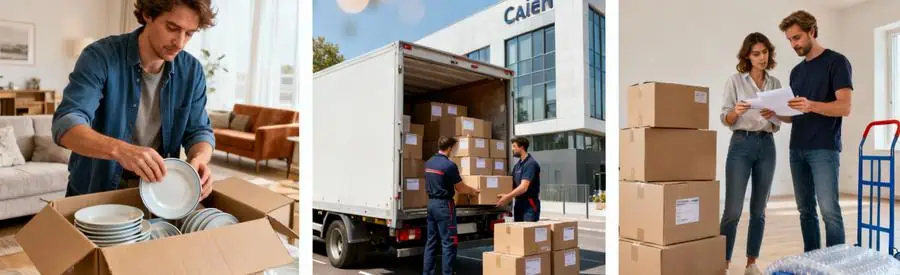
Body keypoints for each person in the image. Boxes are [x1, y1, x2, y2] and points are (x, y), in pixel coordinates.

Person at [51, 0, 217, 200]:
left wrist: (199, 158)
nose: (180, 43)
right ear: (148, 14)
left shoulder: (192, 72)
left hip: (158, 192)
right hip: (94, 189)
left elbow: (199, 131)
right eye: (172, 28)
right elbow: (65, 124)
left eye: (189, 33)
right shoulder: (99, 57)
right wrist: (121, 150)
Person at [775, 10, 853, 252]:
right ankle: (811, 261)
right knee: (805, 210)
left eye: (797, 38)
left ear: (812, 31)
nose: (793, 44)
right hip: (797, 148)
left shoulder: (837, 62)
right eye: (789, 40)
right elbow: (795, 115)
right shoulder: (796, 72)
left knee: (829, 210)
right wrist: (775, 113)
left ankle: (835, 262)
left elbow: (844, 107)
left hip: (823, 148)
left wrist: (811, 105)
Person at [719, 32, 782, 275]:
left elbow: (778, 121)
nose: (762, 57)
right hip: (741, 144)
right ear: (747, 55)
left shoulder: (774, 83)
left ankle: (751, 263)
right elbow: (726, 118)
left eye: (765, 52)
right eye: (756, 54)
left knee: (759, 209)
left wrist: (773, 116)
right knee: (732, 210)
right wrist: (735, 111)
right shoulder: (735, 81)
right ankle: (722, 261)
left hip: (767, 145)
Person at [422, 136, 478, 275]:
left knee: (431, 242)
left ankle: (427, 273)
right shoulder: (449, 165)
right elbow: (460, 188)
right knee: (449, 243)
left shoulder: (429, 163)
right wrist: (473, 191)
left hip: (431, 204)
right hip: (444, 206)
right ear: (450, 148)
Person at [497, 137, 541, 222]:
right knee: (519, 232)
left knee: (527, 232)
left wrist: (507, 197)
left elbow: (523, 187)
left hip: (529, 205)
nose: (512, 149)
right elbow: (512, 185)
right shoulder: (517, 165)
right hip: (518, 203)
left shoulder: (530, 164)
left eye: (514, 146)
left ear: (522, 147)